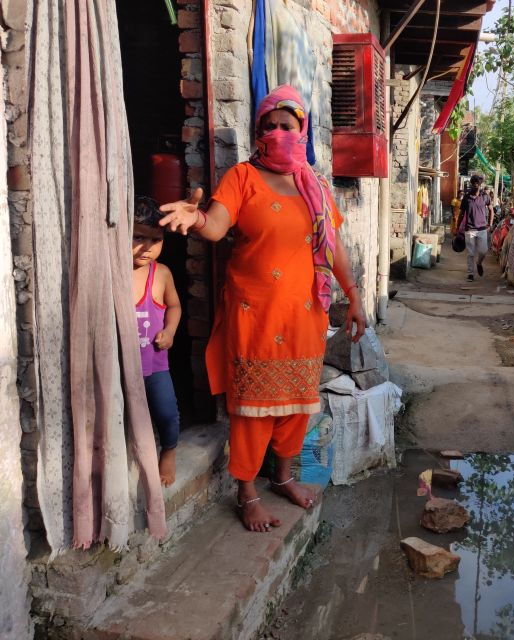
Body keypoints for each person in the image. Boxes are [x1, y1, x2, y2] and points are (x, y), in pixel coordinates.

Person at [158, 85, 367, 532]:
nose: (276, 132)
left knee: (297, 404)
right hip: (254, 312)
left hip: (304, 312)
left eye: (285, 126)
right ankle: (247, 493)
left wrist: (355, 297)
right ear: (258, 133)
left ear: (302, 130)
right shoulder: (242, 178)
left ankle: (284, 476)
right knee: (253, 407)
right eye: (268, 126)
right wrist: (195, 218)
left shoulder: (315, 185)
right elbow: (215, 225)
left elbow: (335, 247)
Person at [132, 196, 182, 487]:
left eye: (156, 240)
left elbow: (174, 306)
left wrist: (171, 331)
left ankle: (170, 449)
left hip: (155, 362)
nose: (147, 247)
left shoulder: (161, 274)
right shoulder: (113, 274)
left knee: (166, 411)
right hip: (122, 366)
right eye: (138, 236)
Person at [456, 175, 494, 281]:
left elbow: (491, 210)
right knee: (471, 253)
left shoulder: (485, 196)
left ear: (480, 184)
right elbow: (461, 214)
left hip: (482, 229)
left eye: (478, 183)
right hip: (469, 229)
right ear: (471, 184)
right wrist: (458, 228)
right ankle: (470, 274)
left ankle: (479, 263)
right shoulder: (466, 198)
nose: (476, 185)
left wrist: (490, 225)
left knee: (483, 251)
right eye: (474, 183)